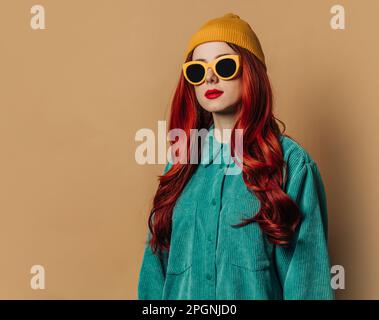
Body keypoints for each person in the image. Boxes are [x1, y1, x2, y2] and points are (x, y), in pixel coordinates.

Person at [137, 13, 335, 300]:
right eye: (197, 71)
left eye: (225, 65)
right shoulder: (179, 166)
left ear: (251, 71)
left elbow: (308, 285)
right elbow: (153, 278)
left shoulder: (292, 165)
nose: (211, 78)